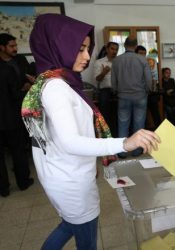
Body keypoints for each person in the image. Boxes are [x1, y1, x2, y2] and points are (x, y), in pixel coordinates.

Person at [21, 14, 160, 250]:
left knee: (69, 225)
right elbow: (71, 142)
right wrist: (124, 143)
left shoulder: (57, 81)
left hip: (67, 172)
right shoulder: (56, 89)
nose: (87, 56)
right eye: (80, 49)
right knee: (85, 237)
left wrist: (89, 163)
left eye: (87, 48)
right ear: (57, 45)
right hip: (69, 180)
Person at [111, 36, 152, 158]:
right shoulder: (142, 60)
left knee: (122, 123)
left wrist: (116, 90)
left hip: (123, 96)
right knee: (139, 124)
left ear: (124, 45)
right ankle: (137, 150)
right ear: (135, 46)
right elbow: (148, 79)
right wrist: (148, 90)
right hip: (140, 96)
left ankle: (122, 151)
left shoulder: (117, 60)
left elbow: (113, 81)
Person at [0, 60, 33, 197]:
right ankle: (23, 182)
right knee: (17, 151)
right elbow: (15, 95)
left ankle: (3, 188)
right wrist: (25, 89)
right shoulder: (7, 69)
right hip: (10, 119)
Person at [93, 42, 119, 130]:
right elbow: (97, 79)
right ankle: (107, 134)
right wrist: (104, 72)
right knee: (105, 115)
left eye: (116, 49)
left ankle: (118, 135)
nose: (114, 51)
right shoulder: (99, 62)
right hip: (105, 91)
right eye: (112, 49)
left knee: (118, 115)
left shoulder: (120, 62)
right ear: (107, 49)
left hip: (119, 91)